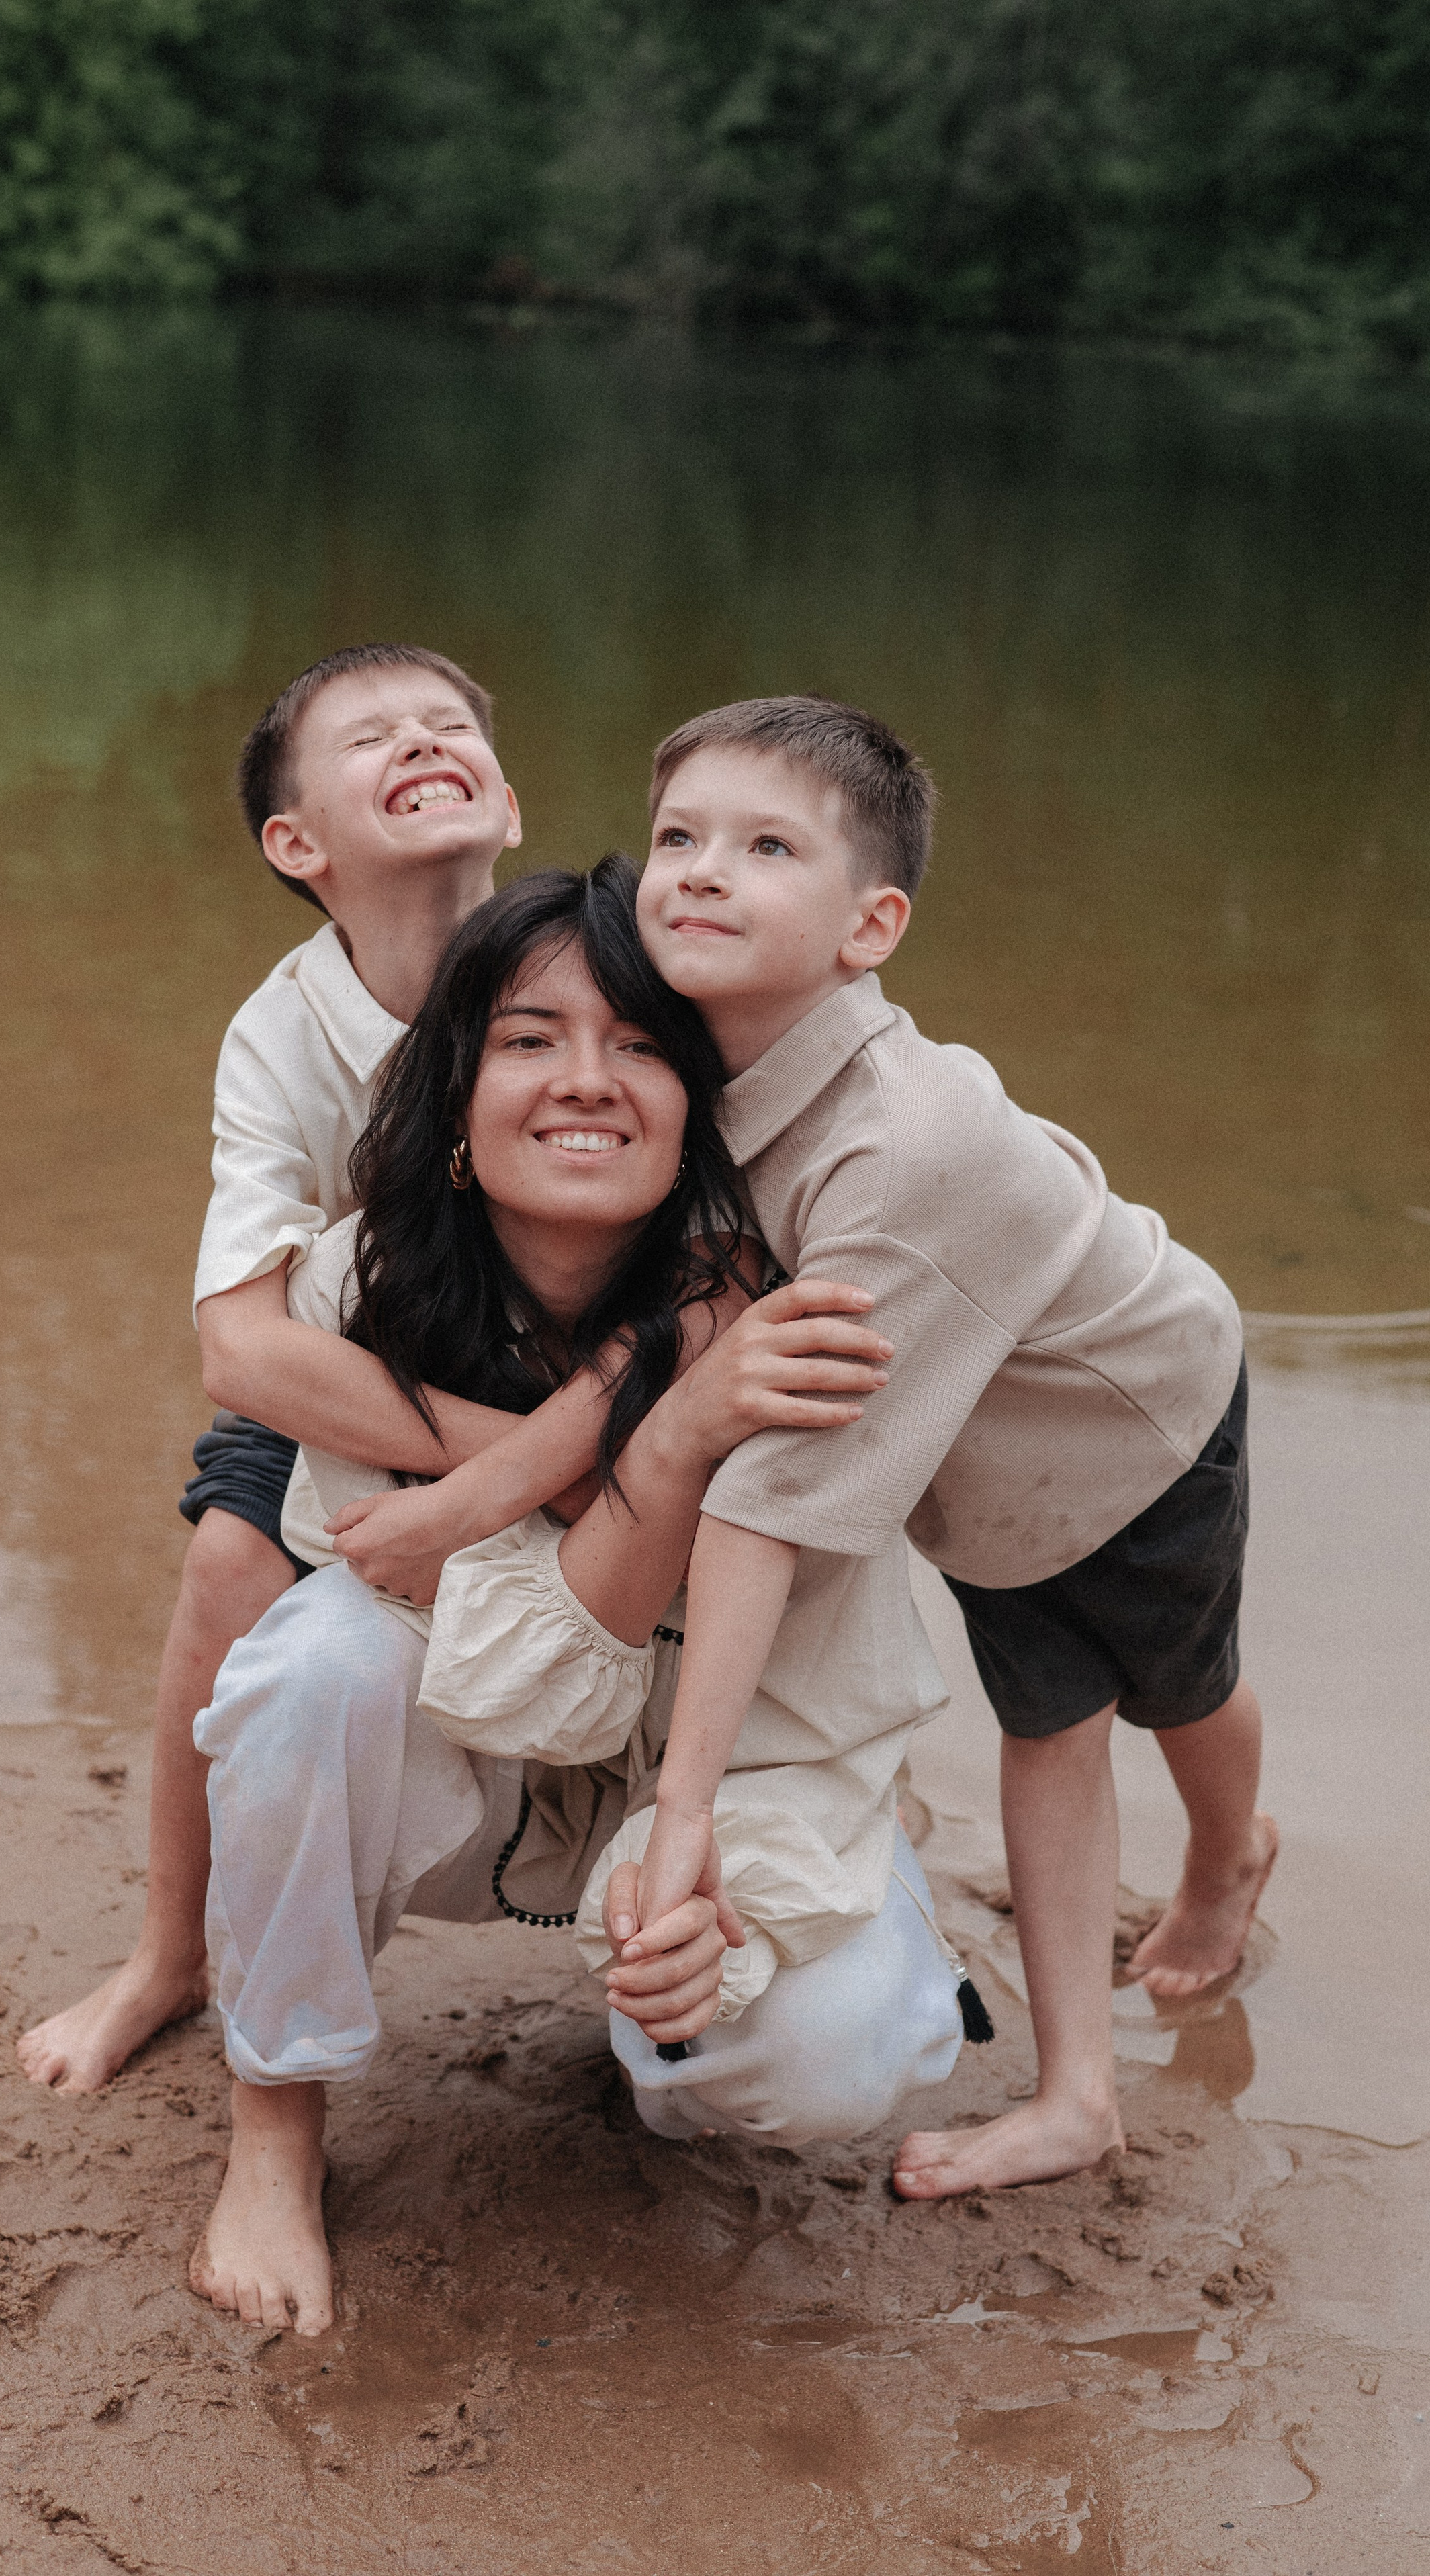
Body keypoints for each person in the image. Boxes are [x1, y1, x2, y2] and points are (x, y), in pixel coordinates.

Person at [189, 859, 969, 2335]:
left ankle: (682, 2051)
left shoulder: (808, 1299)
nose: (584, 1082)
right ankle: (273, 2134)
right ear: (458, 1105)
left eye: (637, 1046)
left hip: (745, 1772)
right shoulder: (362, 1291)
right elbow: (530, 1678)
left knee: (822, 2057)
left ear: (699, 1106)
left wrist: (716, 1935)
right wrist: (661, 1427)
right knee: (306, 1671)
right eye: (529, 1037)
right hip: (491, 1779)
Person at [619, 693, 1277, 2201]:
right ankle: (1077, 2099)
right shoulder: (691, 1062)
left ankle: (1227, 1853)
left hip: (1128, 1416)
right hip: (974, 1467)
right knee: (1044, 1720)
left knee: (1177, 1679)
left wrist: (687, 1803)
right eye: (677, 837)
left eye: (765, 845)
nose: (701, 871)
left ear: (871, 926)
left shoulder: (900, 1147)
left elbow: (765, 1498)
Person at [18, 643, 615, 2094]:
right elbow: (243, 1345)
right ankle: (170, 1950)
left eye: (446, 724)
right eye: (370, 736)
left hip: (594, 1353)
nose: (419, 738)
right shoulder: (283, 1034)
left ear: (508, 798)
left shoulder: (597, 969)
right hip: (392, 1369)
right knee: (229, 1568)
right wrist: (524, 1452)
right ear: (297, 845)